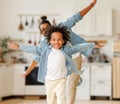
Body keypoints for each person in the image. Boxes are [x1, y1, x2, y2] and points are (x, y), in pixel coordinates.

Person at [21, 0, 97, 103]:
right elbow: (37, 57)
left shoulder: (62, 27)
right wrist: (28, 71)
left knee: (72, 84)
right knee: (57, 86)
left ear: (51, 26)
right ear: (41, 33)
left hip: (75, 58)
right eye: (43, 30)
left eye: (47, 28)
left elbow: (76, 17)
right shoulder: (44, 42)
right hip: (59, 64)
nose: (45, 31)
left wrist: (91, 5)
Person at [8, 25, 102, 104]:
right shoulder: (45, 50)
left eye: (59, 39)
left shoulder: (67, 49)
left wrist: (92, 45)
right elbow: (33, 49)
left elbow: (79, 47)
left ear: (63, 41)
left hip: (61, 80)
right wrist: (19, 46)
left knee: (61, 99)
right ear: (49, 40)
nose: (56, 42)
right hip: (49, 80)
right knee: (50, 100)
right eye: (53, 39)